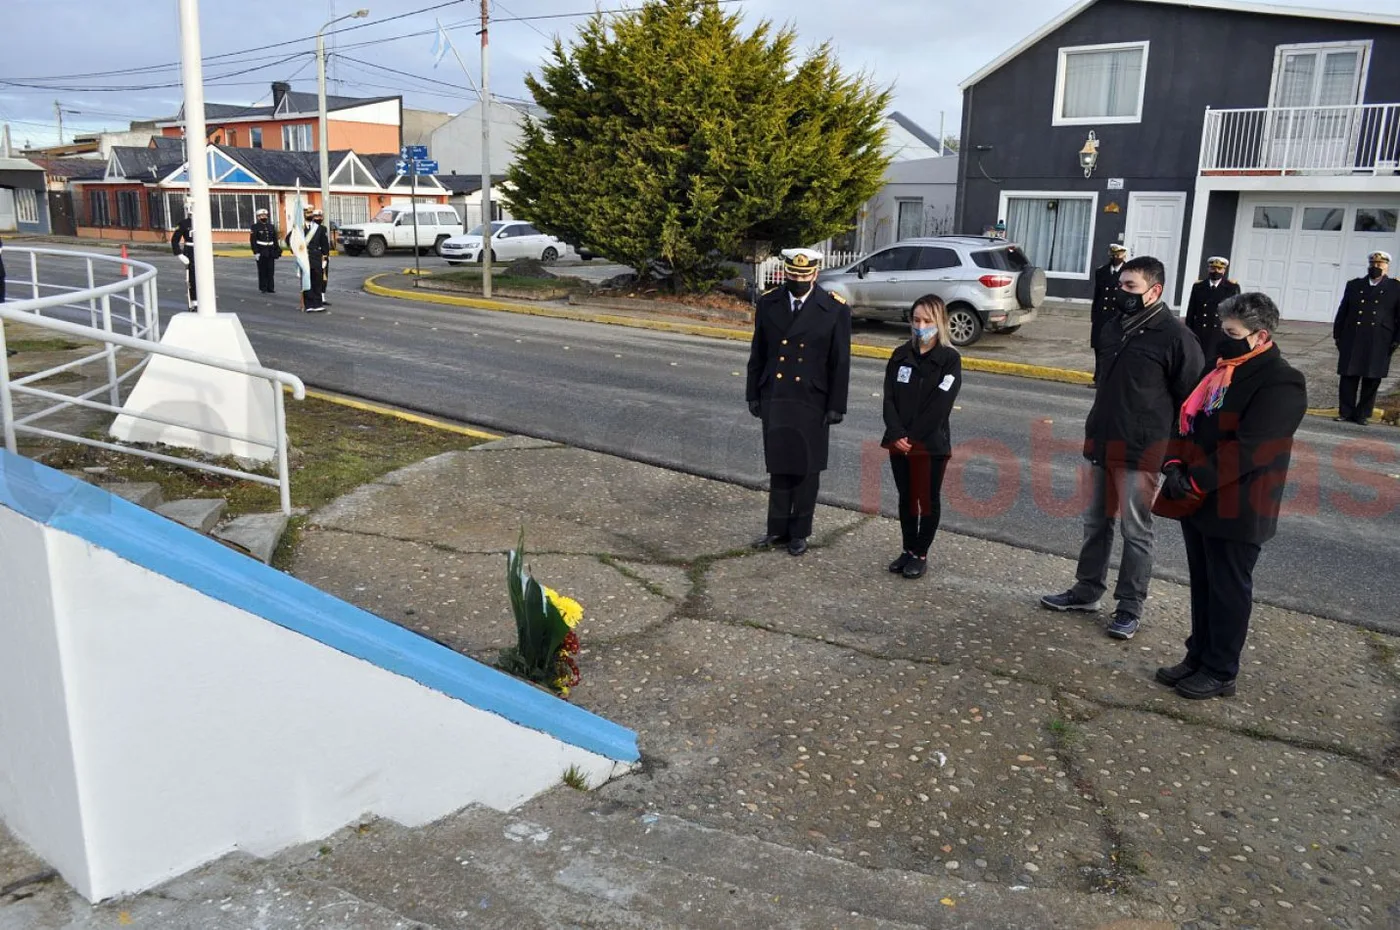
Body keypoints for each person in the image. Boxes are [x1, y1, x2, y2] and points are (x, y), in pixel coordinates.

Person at [1040, 255, 1203, 640]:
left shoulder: (1177, 337)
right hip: (1102, 440)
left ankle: (1129, 607)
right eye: (1121, 284)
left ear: (1155, 291)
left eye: (1131, 287)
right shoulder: (1112, 328)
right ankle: (1086, 590)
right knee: (1096, 522)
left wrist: (1177, 456)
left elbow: (1191, 403)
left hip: (1142, 449)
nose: (1121, 292)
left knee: (1136, 530)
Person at [1153, 292, 1307, 699]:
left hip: (1239, 502)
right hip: (1198, 496)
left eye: (1232, 333)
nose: (1223, 340)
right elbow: (1187, 419)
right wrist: (1173, 464)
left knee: (1228, 588)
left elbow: (1253, 447)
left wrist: (1196, 479)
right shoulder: (1221, 370)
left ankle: (1221, 670)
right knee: (1204, 584)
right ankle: (1198, 655)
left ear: (1260, 336)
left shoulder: (1281, 380)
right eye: (1223, 330)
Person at [746, 248, 852, 556]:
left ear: (816, 274)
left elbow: (840, 362)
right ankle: (776, 530)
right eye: (793, 275)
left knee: (807, 468)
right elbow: (759, 354)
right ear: (785, 273)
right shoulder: (769, 304)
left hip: (812, 399)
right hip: (776, 396)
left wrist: (837, 404)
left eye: (804, 276)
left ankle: (800, 532)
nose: (798, 281)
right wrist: (753, 393)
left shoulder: (833, 309)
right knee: (779, 465)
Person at [880, 294, 961, 579]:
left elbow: (940, 406)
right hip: (899, 441)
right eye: (916, 320)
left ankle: (920, 552)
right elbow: (889, 398)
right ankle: (907, 549)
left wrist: (912, 437)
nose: (921, 325)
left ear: (939, 322)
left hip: (929, 444)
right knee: (906, 498)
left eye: (927, 320)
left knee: (926, 499)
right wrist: (896, 433)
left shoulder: (949, 360)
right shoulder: (900, 355)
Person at [1333, 250, 1399, 426]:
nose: (1375, 268)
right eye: (1373, 264)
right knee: (1348, 375)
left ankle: (1362, 414)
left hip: (1380, 339)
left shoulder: (1395, 288)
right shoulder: (1354, 285)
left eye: (1379, 265)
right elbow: (1343, 311)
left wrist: (1396, 340)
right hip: (1353, 336)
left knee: (1372, 378)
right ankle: (1345, 411)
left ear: (1386, 267)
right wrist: (1338, 334)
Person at [1183, 256, 1241, 371]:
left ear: (1224, 270)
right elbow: (1191, 312)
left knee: (1215, 364)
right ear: (1208, 269)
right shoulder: (1198, 286)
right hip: (1200, 332)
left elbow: (1235, 314)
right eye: (1213, 268)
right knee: (1197, 364)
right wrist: (1188, 333)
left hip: (1219, 332)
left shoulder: (1231, 288)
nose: (1216, 271)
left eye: (1219, 269)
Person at [1090, 244, 1128, 384]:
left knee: (1115, 347)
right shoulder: (1102, 271)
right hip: (1102, 315)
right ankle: (1098, 377)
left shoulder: (1128, 272)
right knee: (1099, 347)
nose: (1116, 258)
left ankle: (1111, 378)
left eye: (1118, 255)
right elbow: (1097, 295)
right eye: (1113, 256)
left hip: (1117, 315)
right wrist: (1094, 316)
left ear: (1124, 256)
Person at [170, 208, 198, 310]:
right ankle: (194, 301)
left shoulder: (203, 221)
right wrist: (179, 254)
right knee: (192, 276)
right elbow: (174, 240)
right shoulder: (184, 223)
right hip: (190, 250)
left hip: (201, 250)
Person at [249, 208, 280, 294]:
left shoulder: (271, 226)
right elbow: (253, 241)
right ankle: (263, 287)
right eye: (262, 216)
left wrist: (277, 249)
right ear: (258, 217)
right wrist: (256, 252)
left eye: (265, 215)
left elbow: (275, 239)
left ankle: (271, 287)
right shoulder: (255, 227)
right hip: (261, 250)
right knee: (262, 270)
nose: (264, 217)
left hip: (270, 250)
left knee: (271, 269)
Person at [306, 207, 330, 311]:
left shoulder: (320, 228)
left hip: (317, 256)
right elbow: (291, 240)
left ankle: (318, 303)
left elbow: (324, 244)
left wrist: (325, 257)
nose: (317, 218)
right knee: (308, 280)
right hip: (306, 256)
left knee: (318, 280)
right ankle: (309, 304)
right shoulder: (300, 227)